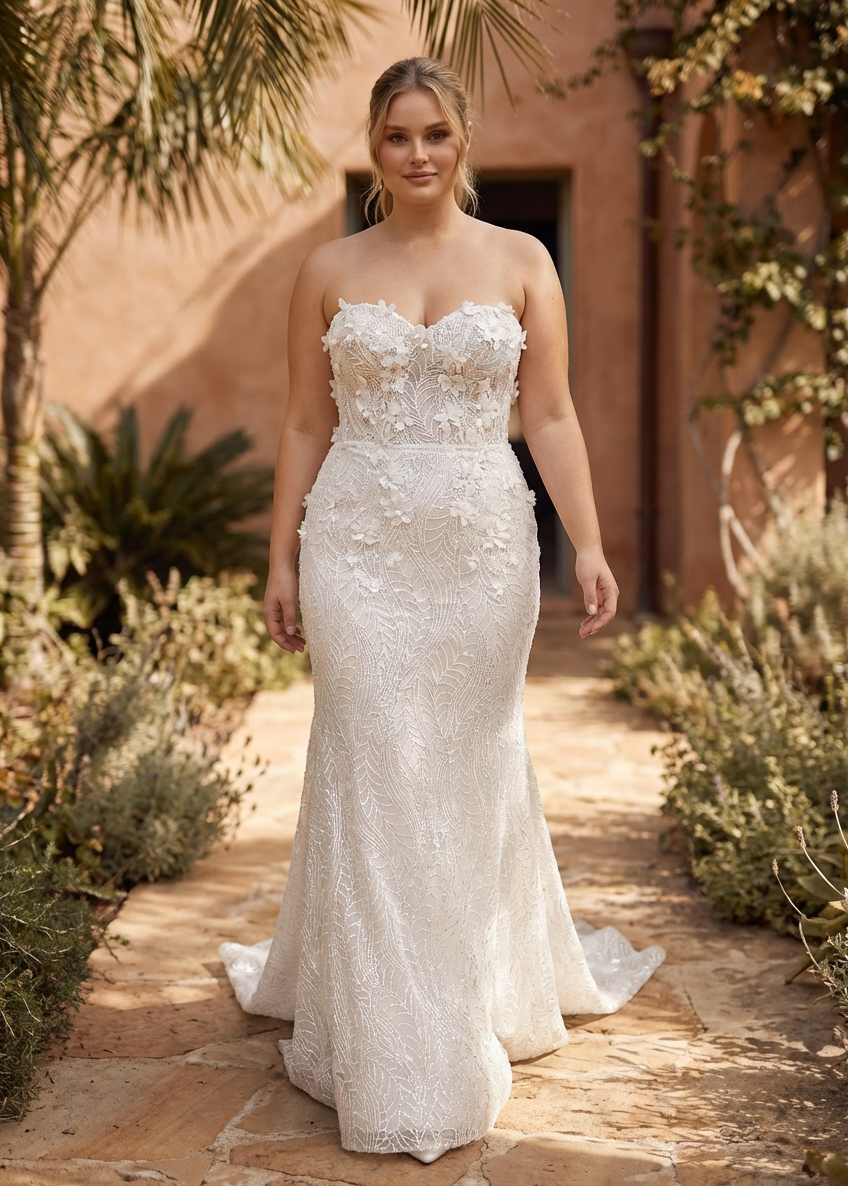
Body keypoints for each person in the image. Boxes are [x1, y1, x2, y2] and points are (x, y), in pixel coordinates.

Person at [220, 56, 665, 1164]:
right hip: (356, 550)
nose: (415, 153)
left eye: (432, 134)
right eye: (394, 137)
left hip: (478, 552)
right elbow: (301, 423)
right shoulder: (327, 266)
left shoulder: (521, 260)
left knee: (465, 765)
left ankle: (467, 991)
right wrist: (281, 557)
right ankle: (390, 1041)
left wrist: (593, 539)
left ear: (460, 141)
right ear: (374, 151)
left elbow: (550, 415)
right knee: (371, 760)